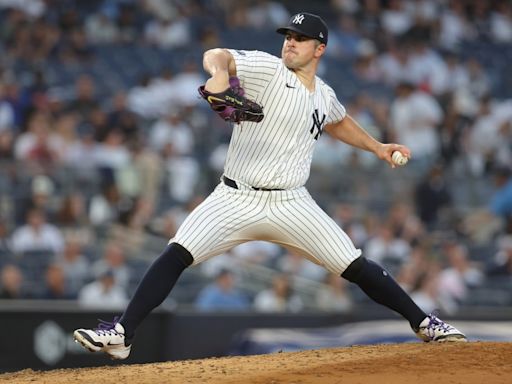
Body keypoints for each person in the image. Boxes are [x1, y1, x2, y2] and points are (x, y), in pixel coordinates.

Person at [74, 12, 466, 360]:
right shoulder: (268, 69)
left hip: (291, 203)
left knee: (355, 265)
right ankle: (122, 334)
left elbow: (338, 121)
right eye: (287, 37)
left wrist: (378, 147)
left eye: (299, 39)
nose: (289, 43)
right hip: (235, 197)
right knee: (177, 253)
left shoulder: (324, 95)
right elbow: (217, 53)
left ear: (320, 49)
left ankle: (424, 323)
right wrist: (220, 75)